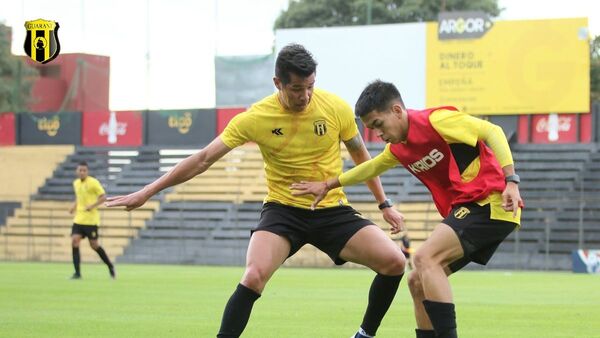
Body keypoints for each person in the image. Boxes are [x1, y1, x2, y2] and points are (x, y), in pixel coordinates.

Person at [106, 44, 406, 338]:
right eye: (297, 88)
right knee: (253, 276)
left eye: (311, 86)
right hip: (283, 211)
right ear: (278, 83)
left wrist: (384, 203)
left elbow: (361, 158)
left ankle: (365, 334)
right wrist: (148, 191)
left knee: (394, 262)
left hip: (331, 209)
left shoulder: (335, 107)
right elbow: (202, 159)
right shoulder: (255, 118)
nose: (305, 96)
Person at [291, 80, 524, 338]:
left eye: (378, 124)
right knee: (417, 281)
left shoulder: (438, 120)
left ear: (397, 111)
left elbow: (492, 130)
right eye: (371, 129)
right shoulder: (398, 149)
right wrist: (329, 183)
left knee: (425, 258)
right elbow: (371, 167)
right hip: (472, 208)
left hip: (489, 201)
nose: (378, 134)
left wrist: (511, 181)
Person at [69, 161, 115, 279]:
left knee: (94, 245)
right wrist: (74, 206)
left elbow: (103, 197)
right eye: (80, 170)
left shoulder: (93, 182)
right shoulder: (76, 183)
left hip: (91, 220)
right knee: (74, 241)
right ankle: (77, 273)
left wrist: (92, 206)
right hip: (79, 219)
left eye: (84, 170)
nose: (82, 172)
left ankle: (110, 266)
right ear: (77, 171)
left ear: (87, 171)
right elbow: (79, 197)